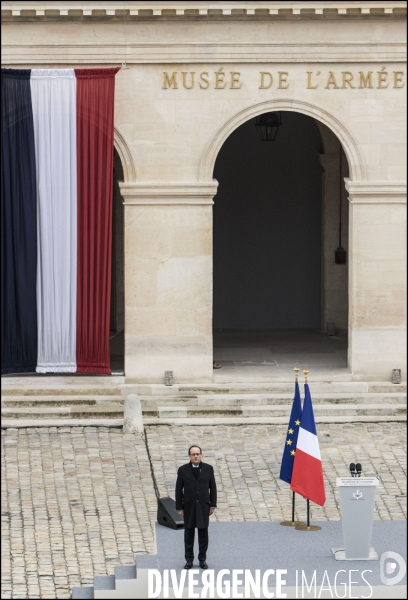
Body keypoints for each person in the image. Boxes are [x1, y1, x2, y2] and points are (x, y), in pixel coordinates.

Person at [175, 445, 217, 569]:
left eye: (198, 454)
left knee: (203, 534)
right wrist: (179, 507)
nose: (196, 456)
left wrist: (212, 504)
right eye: (193, 454)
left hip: (203, 507)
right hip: (189, 507)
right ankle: (189, 560)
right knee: (189, 535)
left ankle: (202, 559)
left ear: (201, 455)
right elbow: (178, 489)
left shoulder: (208, 469)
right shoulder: (183, 470)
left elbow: (212, 487)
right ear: (189, 456)